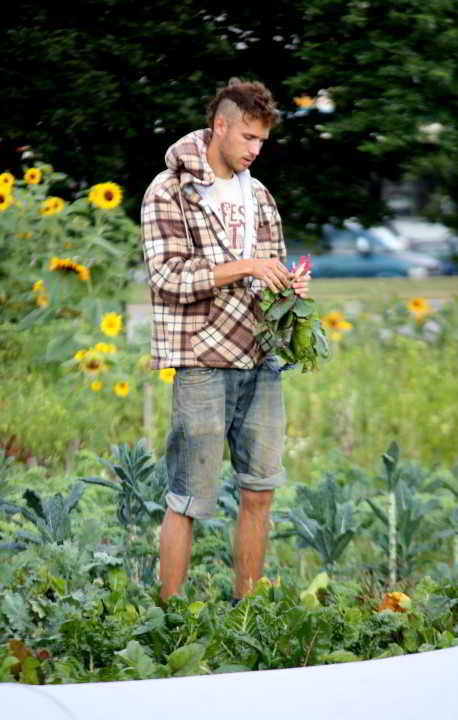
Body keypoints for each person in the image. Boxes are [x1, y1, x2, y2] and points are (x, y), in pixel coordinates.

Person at [141, 79, 310, 602]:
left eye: (262, 141)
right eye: (249, 138)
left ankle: (247, 613)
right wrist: (247, 266)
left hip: (261, 357)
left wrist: (288, 282)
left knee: (260, 491)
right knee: (189, 499)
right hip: (202, 359)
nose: (255, 150)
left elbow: (269, 265)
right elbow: (168, 276)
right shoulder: (168, 190)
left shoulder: (257, 193)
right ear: (221, 126)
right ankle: (169, 617)